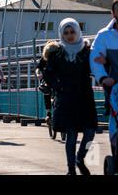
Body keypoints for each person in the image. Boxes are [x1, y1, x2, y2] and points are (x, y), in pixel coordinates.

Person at [43, 19, 98, 175]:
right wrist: (57, 86)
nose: (69, 35)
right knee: (71, 134)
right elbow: (48, 73)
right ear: (61, 34)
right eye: (66, 33)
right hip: (66, 98)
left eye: (72, 31)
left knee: (89, 132)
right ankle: (71, 169)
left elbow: (97, 66)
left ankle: (80, 158)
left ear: (78, 31)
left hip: (85, 96)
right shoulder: (57, 53)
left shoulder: (86, 51)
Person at [35, 41, 60, 124]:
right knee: (47, 91)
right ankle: (48, 113)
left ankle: (50, 113)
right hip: (49, 79)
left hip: (57, 79)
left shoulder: (59, 56)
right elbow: (38, 68)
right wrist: (39, 74)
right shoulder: (45, 57)